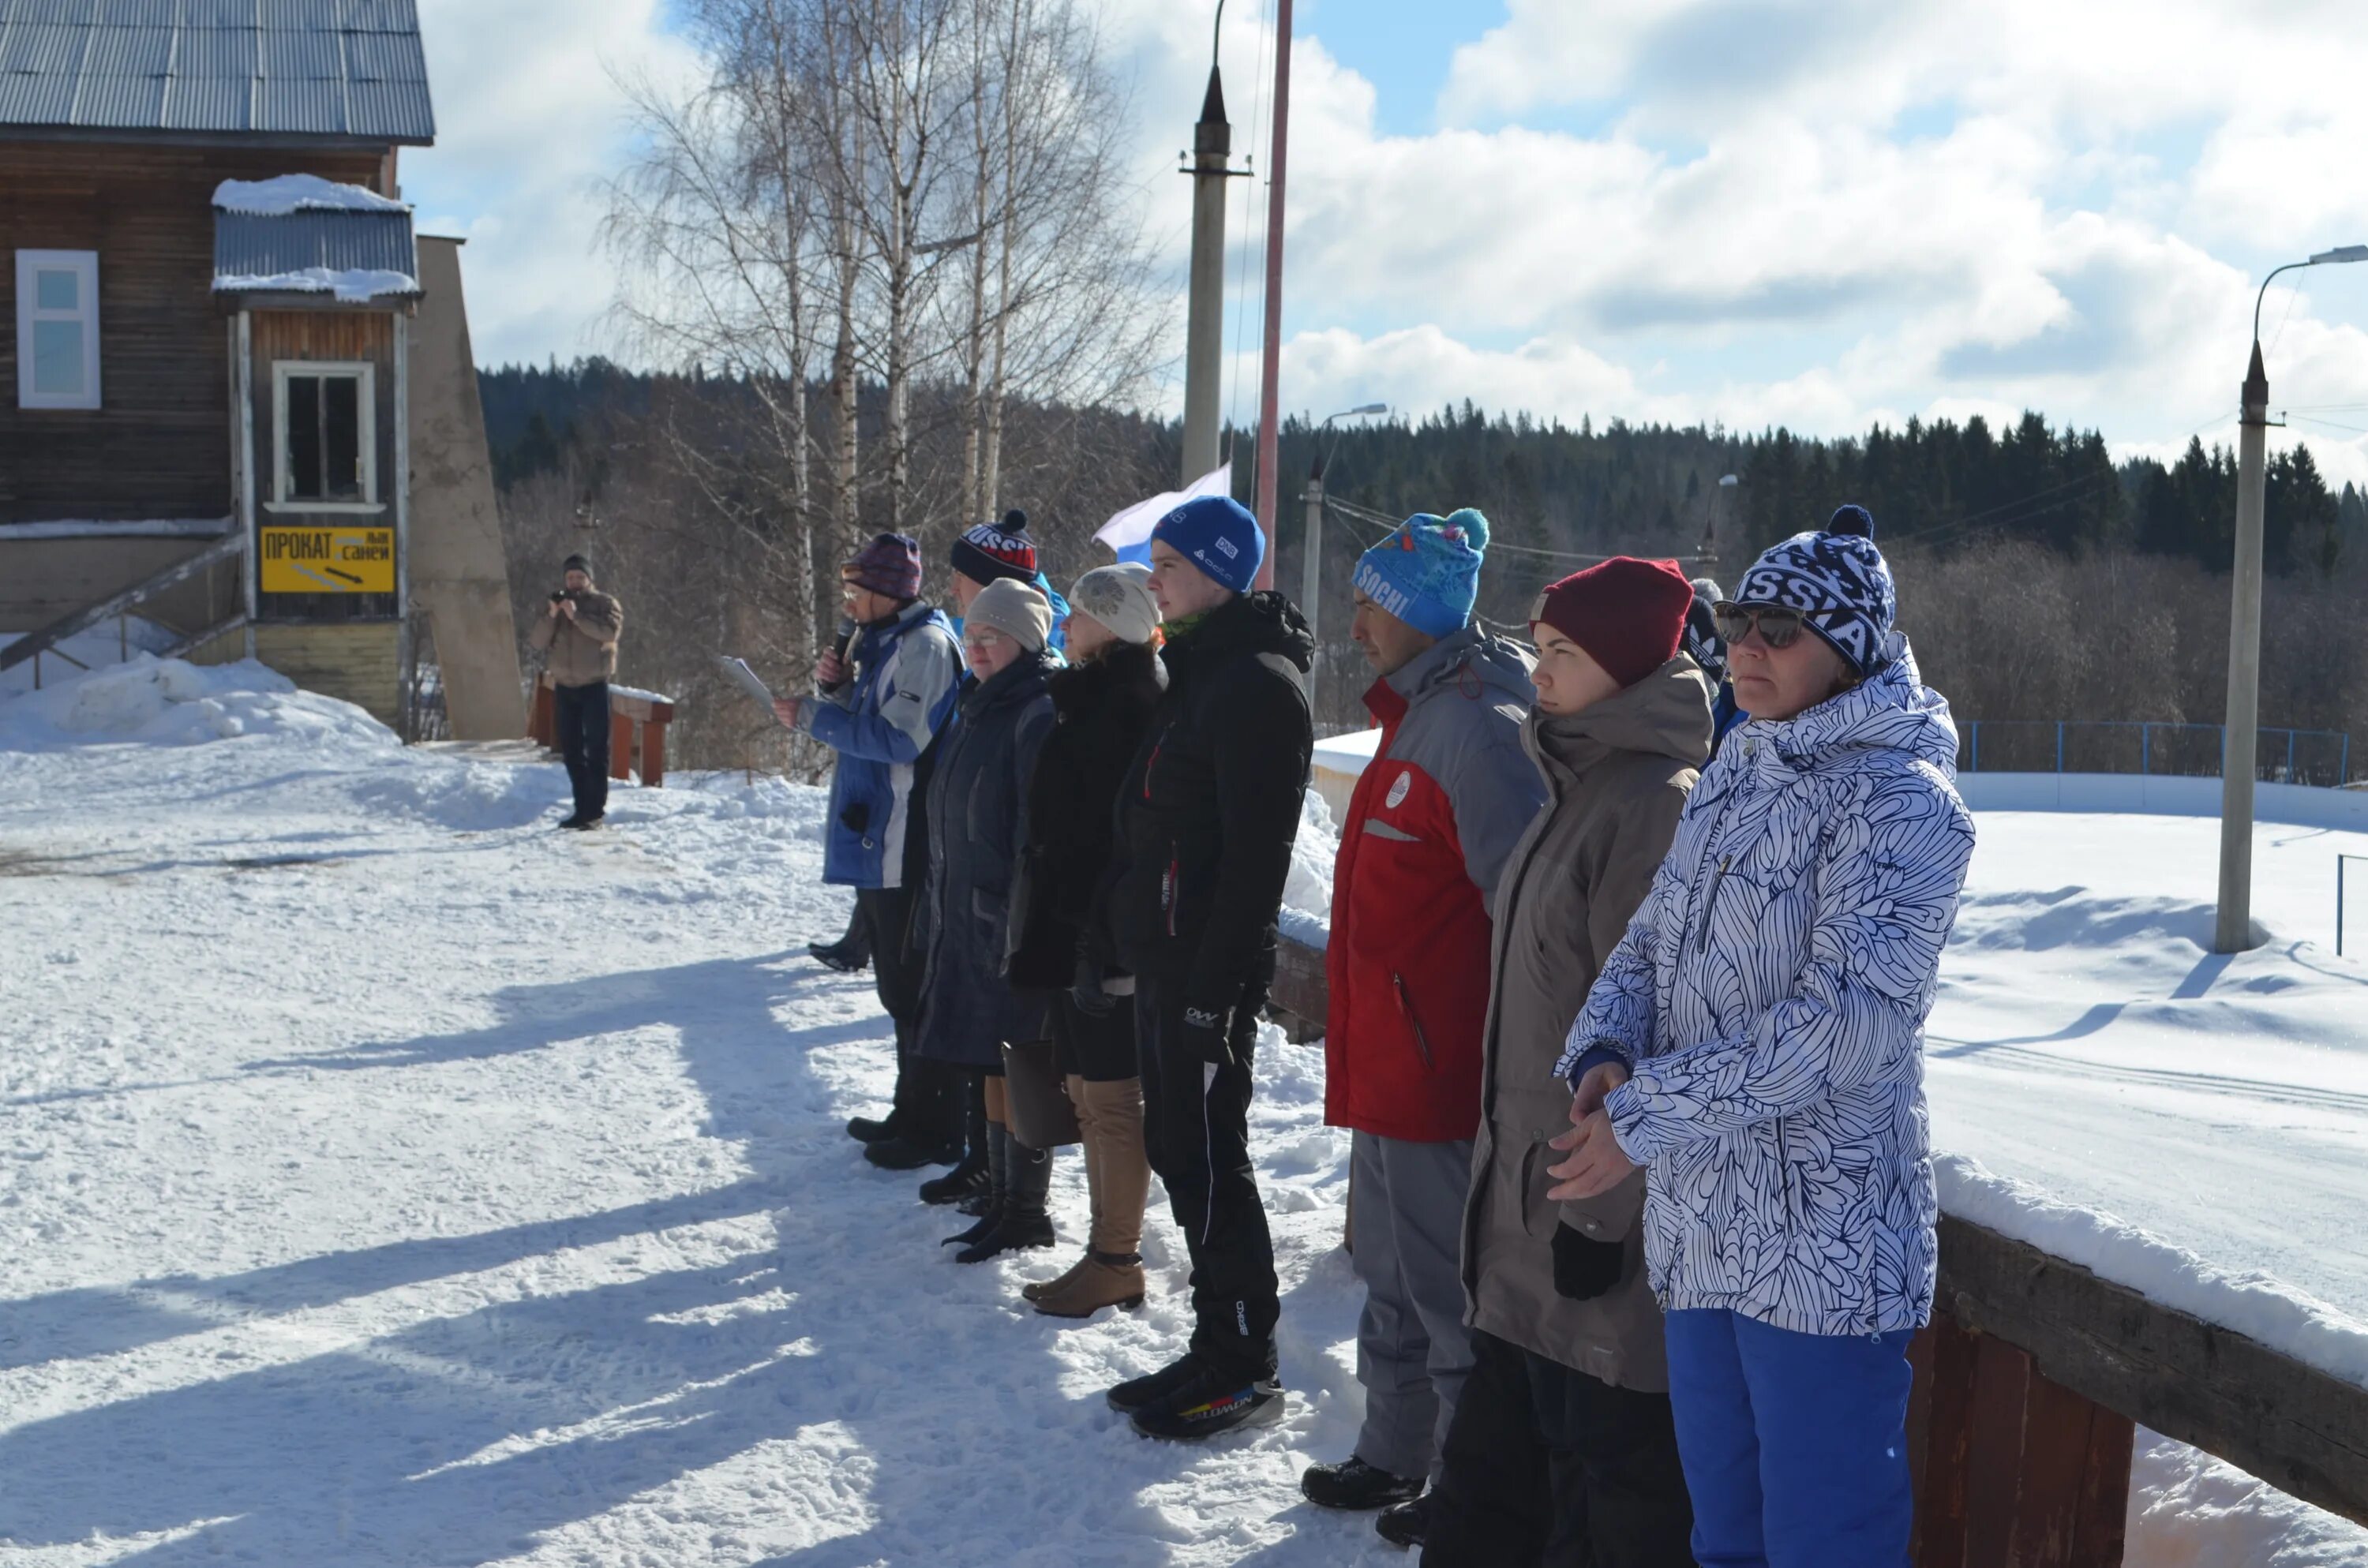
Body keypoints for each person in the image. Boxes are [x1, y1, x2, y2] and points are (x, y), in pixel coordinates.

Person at [1548, 505, 1976, 1568]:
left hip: (1822, 1252)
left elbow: (1848, 1027)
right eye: (1740, 621)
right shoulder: (1741, 769)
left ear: (1852, 648)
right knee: (1727, 1536)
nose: (1746, 647)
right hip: (1704, 1233)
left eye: (1781, 632)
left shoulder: (1903, 802)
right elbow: (1652, 938)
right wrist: (1606, 1046)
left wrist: (1646, 1110)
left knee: (1826, 1541)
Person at [1423, 557, 1711, 1568]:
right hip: (1526, 1227)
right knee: (1489, 1509)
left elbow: (1652, 1033)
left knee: (1606, 1514)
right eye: (1539, 648)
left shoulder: (1653, 806)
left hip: (1594, 1253)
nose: (1538, 672)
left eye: (1563, 654)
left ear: (1628, 667)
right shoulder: (1571, 781)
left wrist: (1597, 1220)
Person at [1298, 509, 1543, 1551]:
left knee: (1447, 1292)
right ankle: (1396, 1448)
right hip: (1390, 1063)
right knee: (1391, 1278)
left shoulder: (1478, 727)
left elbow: (1527, 909)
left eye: (1367, 602)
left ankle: (1470, 1486)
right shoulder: (1417, 712)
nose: (1353, 621)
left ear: (1415, 611)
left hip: (1442, 1076)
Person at [1101, 493, 1313, 1441]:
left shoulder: (1257, 684)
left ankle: (1245, 1360)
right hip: (1166, 959)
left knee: (1210, 1159)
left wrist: (1214, 995)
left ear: (1221, 574)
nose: (1155, 582)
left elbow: (1256, 862)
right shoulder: (1198, 669)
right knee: (1180, 1152)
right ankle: (1213, 1340)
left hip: (1205, 975)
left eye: (1171, 567)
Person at [774, 533, 965, 1170]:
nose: (849, 602)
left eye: (858, 591)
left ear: (889, 592)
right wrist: (839, 691)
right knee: (894, 984)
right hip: (879, 834)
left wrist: (811, 716)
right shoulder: (881, 641)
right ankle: (910, 1110)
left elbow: (901, 741)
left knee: (913, 985)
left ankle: (936, 1126)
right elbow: (871, 722)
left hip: (910, 840)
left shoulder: (927, 646)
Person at [1005, 563, 1166, 1319]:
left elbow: (1122, 845)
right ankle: (1104, 1251)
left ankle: (1116, 1257)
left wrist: (1103, 943)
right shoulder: (1093, 699)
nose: (1068, 623)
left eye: (1083, 613)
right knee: (1083, 1093)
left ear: (1117, 624)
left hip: (1103, 939)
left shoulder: (1130, 707)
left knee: (1110, 1102)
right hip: (1075, 930)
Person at [910, 578, 1062, 1263]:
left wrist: (1022, 921)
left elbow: (1040, 829)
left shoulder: (1035, 709)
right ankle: (1002, 1197)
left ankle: (1026, 1208)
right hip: (973, 913)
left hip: (1009, 919)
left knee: (1019, 1061)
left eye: (990, 636)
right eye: (969, 635)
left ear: (1026, 640)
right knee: (991, 1062)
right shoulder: (981, 702)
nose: (974, 647)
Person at [529, 553, 624, 829]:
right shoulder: (556, 607)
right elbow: (536, 641)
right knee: (571, 751)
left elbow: (610, 633)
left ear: (589, 578)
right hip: (564, 687)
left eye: (580, 577)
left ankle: (595, 811)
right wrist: (552, 614)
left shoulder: (604, 604)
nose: (575, 582)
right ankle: (582, 807)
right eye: (570, 577)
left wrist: (577, 616)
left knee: (596, 749)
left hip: (593, 685)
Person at [950, 507, 1072, 648]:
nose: (953, 589)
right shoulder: (982, 632)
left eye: (961, 577)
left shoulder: (1052, 645)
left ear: (996, 586)